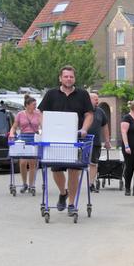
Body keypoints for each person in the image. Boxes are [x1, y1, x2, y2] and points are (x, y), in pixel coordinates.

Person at [38, 65, 93, 216]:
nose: (68, 79)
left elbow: (89, 114)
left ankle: (71, 203)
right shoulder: (51, 94)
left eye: (71, 77)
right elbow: (41, 113)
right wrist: (45, 128)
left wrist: (84, 129)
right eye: (66, 76)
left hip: (75, 138)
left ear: (74, 78)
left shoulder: (82, 94)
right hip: (55, 139)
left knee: (74, 170)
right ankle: (63, 192)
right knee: (55, 169)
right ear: (60, 78)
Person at [8, 94, 42, 195]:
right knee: (22, 163)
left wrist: (42, 133)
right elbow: (14, 126)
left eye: (36, 104)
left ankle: (31, 185)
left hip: (34, 138)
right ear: (27, 105)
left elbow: (42, 126)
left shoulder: (38, 114)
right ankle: (24, 183)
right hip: (23, 138)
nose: (35, 106)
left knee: (32, 163)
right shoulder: (20, 114)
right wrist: (11, 133)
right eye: (33, 104)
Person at [87, 92, 111, 193]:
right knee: (79, 165)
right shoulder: (83, 110)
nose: (97, 101)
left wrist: (107, 141)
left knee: (94, 163)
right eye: (95, 99)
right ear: (89, 100)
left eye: (98, 99)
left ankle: (91, 184)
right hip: (83, 142)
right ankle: (76, 183)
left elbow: (105, 126)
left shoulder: (100, 112)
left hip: (96, 142)